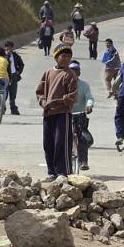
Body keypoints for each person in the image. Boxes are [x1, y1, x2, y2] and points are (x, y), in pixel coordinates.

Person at [36, 43, 78, 181]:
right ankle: (51, 172)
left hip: (63, 113)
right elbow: (40, 92)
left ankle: (62, 172)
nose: (66, 58)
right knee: (48, 143)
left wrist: (56, 101)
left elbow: (72, 96)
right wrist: (43, 102)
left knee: (61, 143)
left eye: (68, 56)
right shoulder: (48, 73)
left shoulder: (70, 75)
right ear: (56, 57)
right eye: (63, 56)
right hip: (48, 113)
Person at [69, 60, 95, 170]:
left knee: (83, 138)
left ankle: (83, 161)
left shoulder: (84, 85)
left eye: (76, 71)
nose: (74, 73)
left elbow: (89, 97)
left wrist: (89, 105)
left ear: (79, 72)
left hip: (80, 115)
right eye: (71, 71)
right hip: (65, 114)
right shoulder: (63, 84)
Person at [4, 40, 25, 115]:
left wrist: (18, 72)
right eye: (7, 47)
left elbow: (21, 64)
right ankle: (2, 108)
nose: (8, 48)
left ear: (12, 48)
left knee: (13, 94)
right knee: (4, 93)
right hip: (5, 76)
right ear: (5, 47)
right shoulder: (2, 55)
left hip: (13, 76)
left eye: (10, 47)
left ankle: (13, 109)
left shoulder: (15, 56)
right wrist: (7, 55)